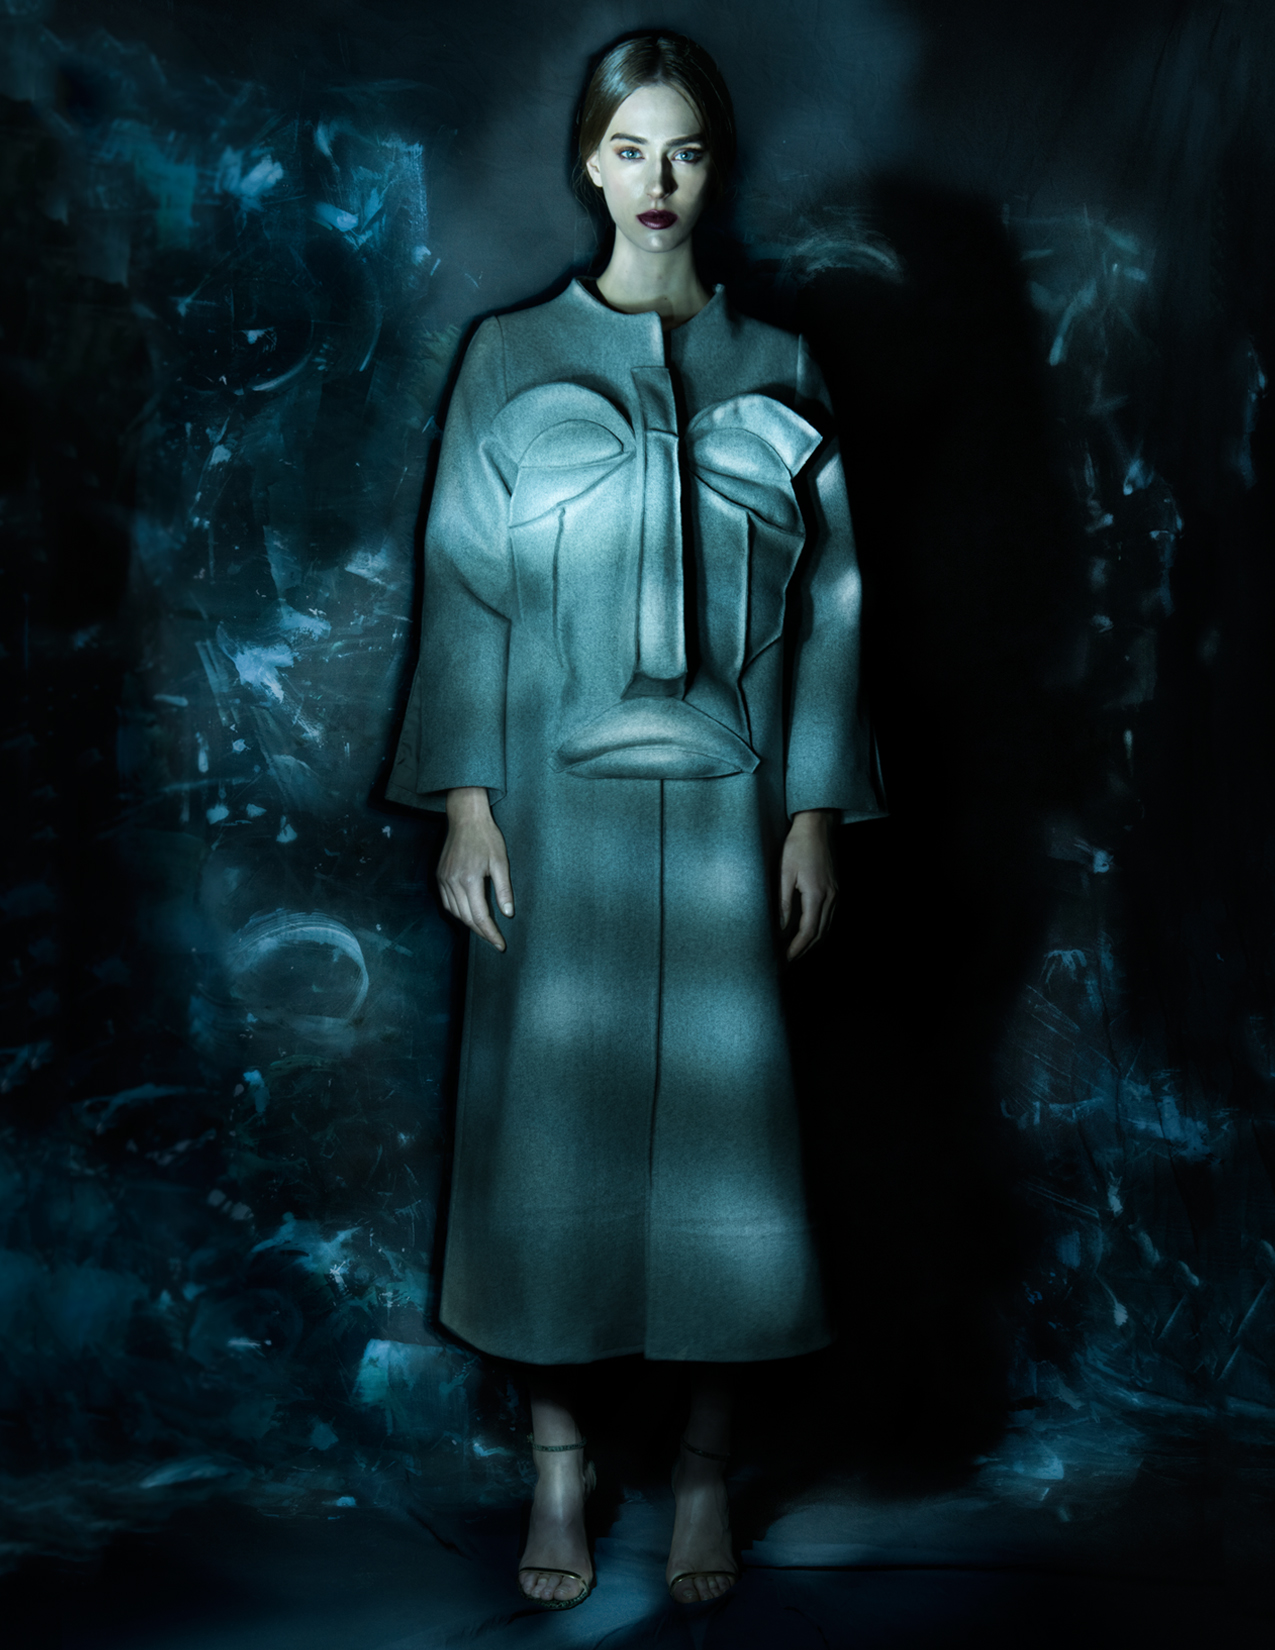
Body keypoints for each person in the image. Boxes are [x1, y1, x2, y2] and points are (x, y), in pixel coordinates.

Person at [386, 31, 883, 1609]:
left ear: (714, 166)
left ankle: (707, 1470)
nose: (657, 182)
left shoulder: (782, 367)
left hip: (733, 811)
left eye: (686, 150)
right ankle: (558, 1462)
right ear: (588, 164)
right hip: (554, 811)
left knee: (733, 1149)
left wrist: (815, 809)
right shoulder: (509, 359)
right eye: (629, 149)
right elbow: (465, 591)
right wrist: (467, 804)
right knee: (546, 1138)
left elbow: (835, 616)